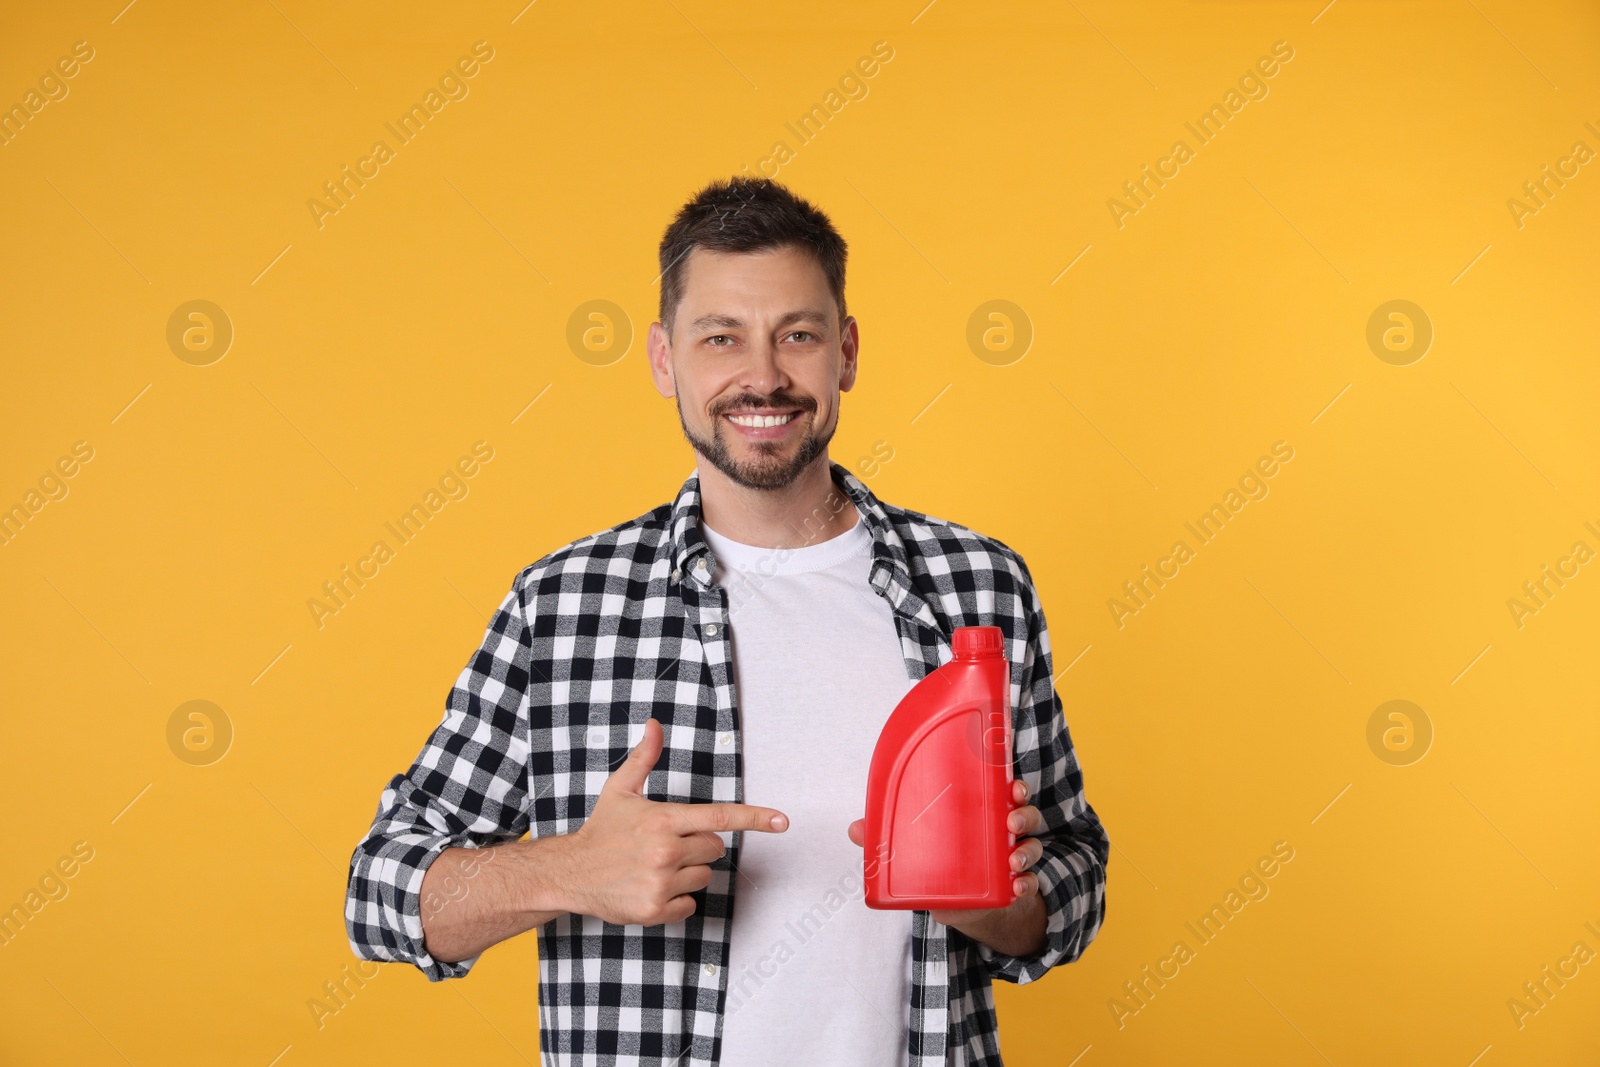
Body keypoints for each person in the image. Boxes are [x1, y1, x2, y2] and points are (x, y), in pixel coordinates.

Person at [344, 175, 1110, 1067]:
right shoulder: (561, 607)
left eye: (798, 334)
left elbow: (1073, 870)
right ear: (665, 359)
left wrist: (1001, 903)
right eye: (722, 338)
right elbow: (378, 891)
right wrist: (567, 872)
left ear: (847, 353)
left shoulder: (978, 588)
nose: (764, 375)